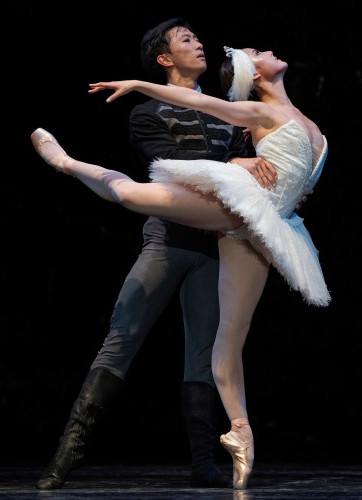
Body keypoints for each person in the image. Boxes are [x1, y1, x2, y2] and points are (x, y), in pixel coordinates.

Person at [31, 42, 330, 489]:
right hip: (234, 207)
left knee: (228, 341)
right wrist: (136, 84)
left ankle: (240, 434)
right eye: (257, 50)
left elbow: (292, 168)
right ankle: (66, 162)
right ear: (256, 73)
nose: (267, 49)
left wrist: (297, 188)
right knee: (130, 195)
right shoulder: (255, 109)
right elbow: (194, 100)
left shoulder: (305, 122)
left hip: (268, 224)